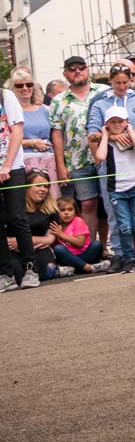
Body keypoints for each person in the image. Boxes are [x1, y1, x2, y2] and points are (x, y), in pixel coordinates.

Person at [49, 55, 107, 246]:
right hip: (77, 160)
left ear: (87, 69)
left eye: (81, 67)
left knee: (111, 202)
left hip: (107, 156)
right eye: (72, 69)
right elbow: (57, 134)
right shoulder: (58, 101)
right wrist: (60, 165)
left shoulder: (103, 91)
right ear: (65, 73)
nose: (77, 72)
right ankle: (90, 248)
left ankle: (113, 247)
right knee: (87, 204)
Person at [92, 105, 135, 273]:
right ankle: (128, 258)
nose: (117, 124)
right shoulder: (108, 142)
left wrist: (130, 131)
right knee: (124, 226)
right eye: (113, 122)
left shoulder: (130, 139)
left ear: (126, 122)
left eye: (120, 121)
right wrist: (106, 134)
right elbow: (100, 156)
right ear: (107, 124)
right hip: (117, 189)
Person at [0, 79, 30, 290]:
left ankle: (31, 268)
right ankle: (5, 273)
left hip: (13, 166)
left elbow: (17, 131)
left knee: (17, 217)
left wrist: (6, 166)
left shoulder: (5, 96)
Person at [11, 70, 55, 192]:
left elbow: (54, 137)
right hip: (24, 162)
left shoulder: (45, 110)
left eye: (29, 84)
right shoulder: (10, 113)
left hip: (49, 160)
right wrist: (32, 142)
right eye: (19, 85)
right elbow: (6, 141)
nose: (25, 88)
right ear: (13, 89)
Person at [49, 192, 109, 274]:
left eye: (70, 210)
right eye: (62, 210)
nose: (66, 213)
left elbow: (80, 243)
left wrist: (61, 234)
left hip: (84, 254)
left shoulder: (78, 221)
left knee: (96, 244)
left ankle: (78, 268)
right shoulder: (56, 225)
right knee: (58, 249)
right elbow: (53, 245)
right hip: (68, 258)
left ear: (75, 211)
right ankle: (87, 268)